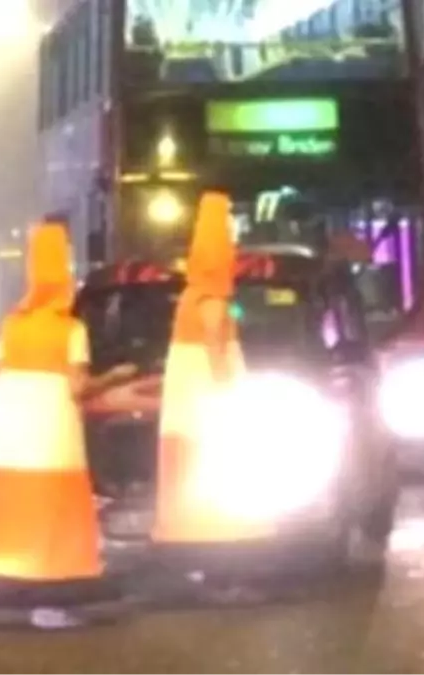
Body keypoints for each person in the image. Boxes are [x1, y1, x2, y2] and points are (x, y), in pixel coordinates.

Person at [0, 220, 136, 630]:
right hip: (53, 439)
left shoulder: (13, 325)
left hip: (10, 442)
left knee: (15, 515)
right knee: (56, 513)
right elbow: (77, 387)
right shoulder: (69, 329)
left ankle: (16, 588)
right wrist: (117, 377)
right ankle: (51, 603)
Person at [150, 192, 261, 550]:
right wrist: (225, 386)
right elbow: (214, 337)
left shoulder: (190, 294)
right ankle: (221, 562)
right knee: (217, 482)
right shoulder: (211, 294)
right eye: (230, 235)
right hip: (209, 408)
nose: (236, 244)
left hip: (191, 409)